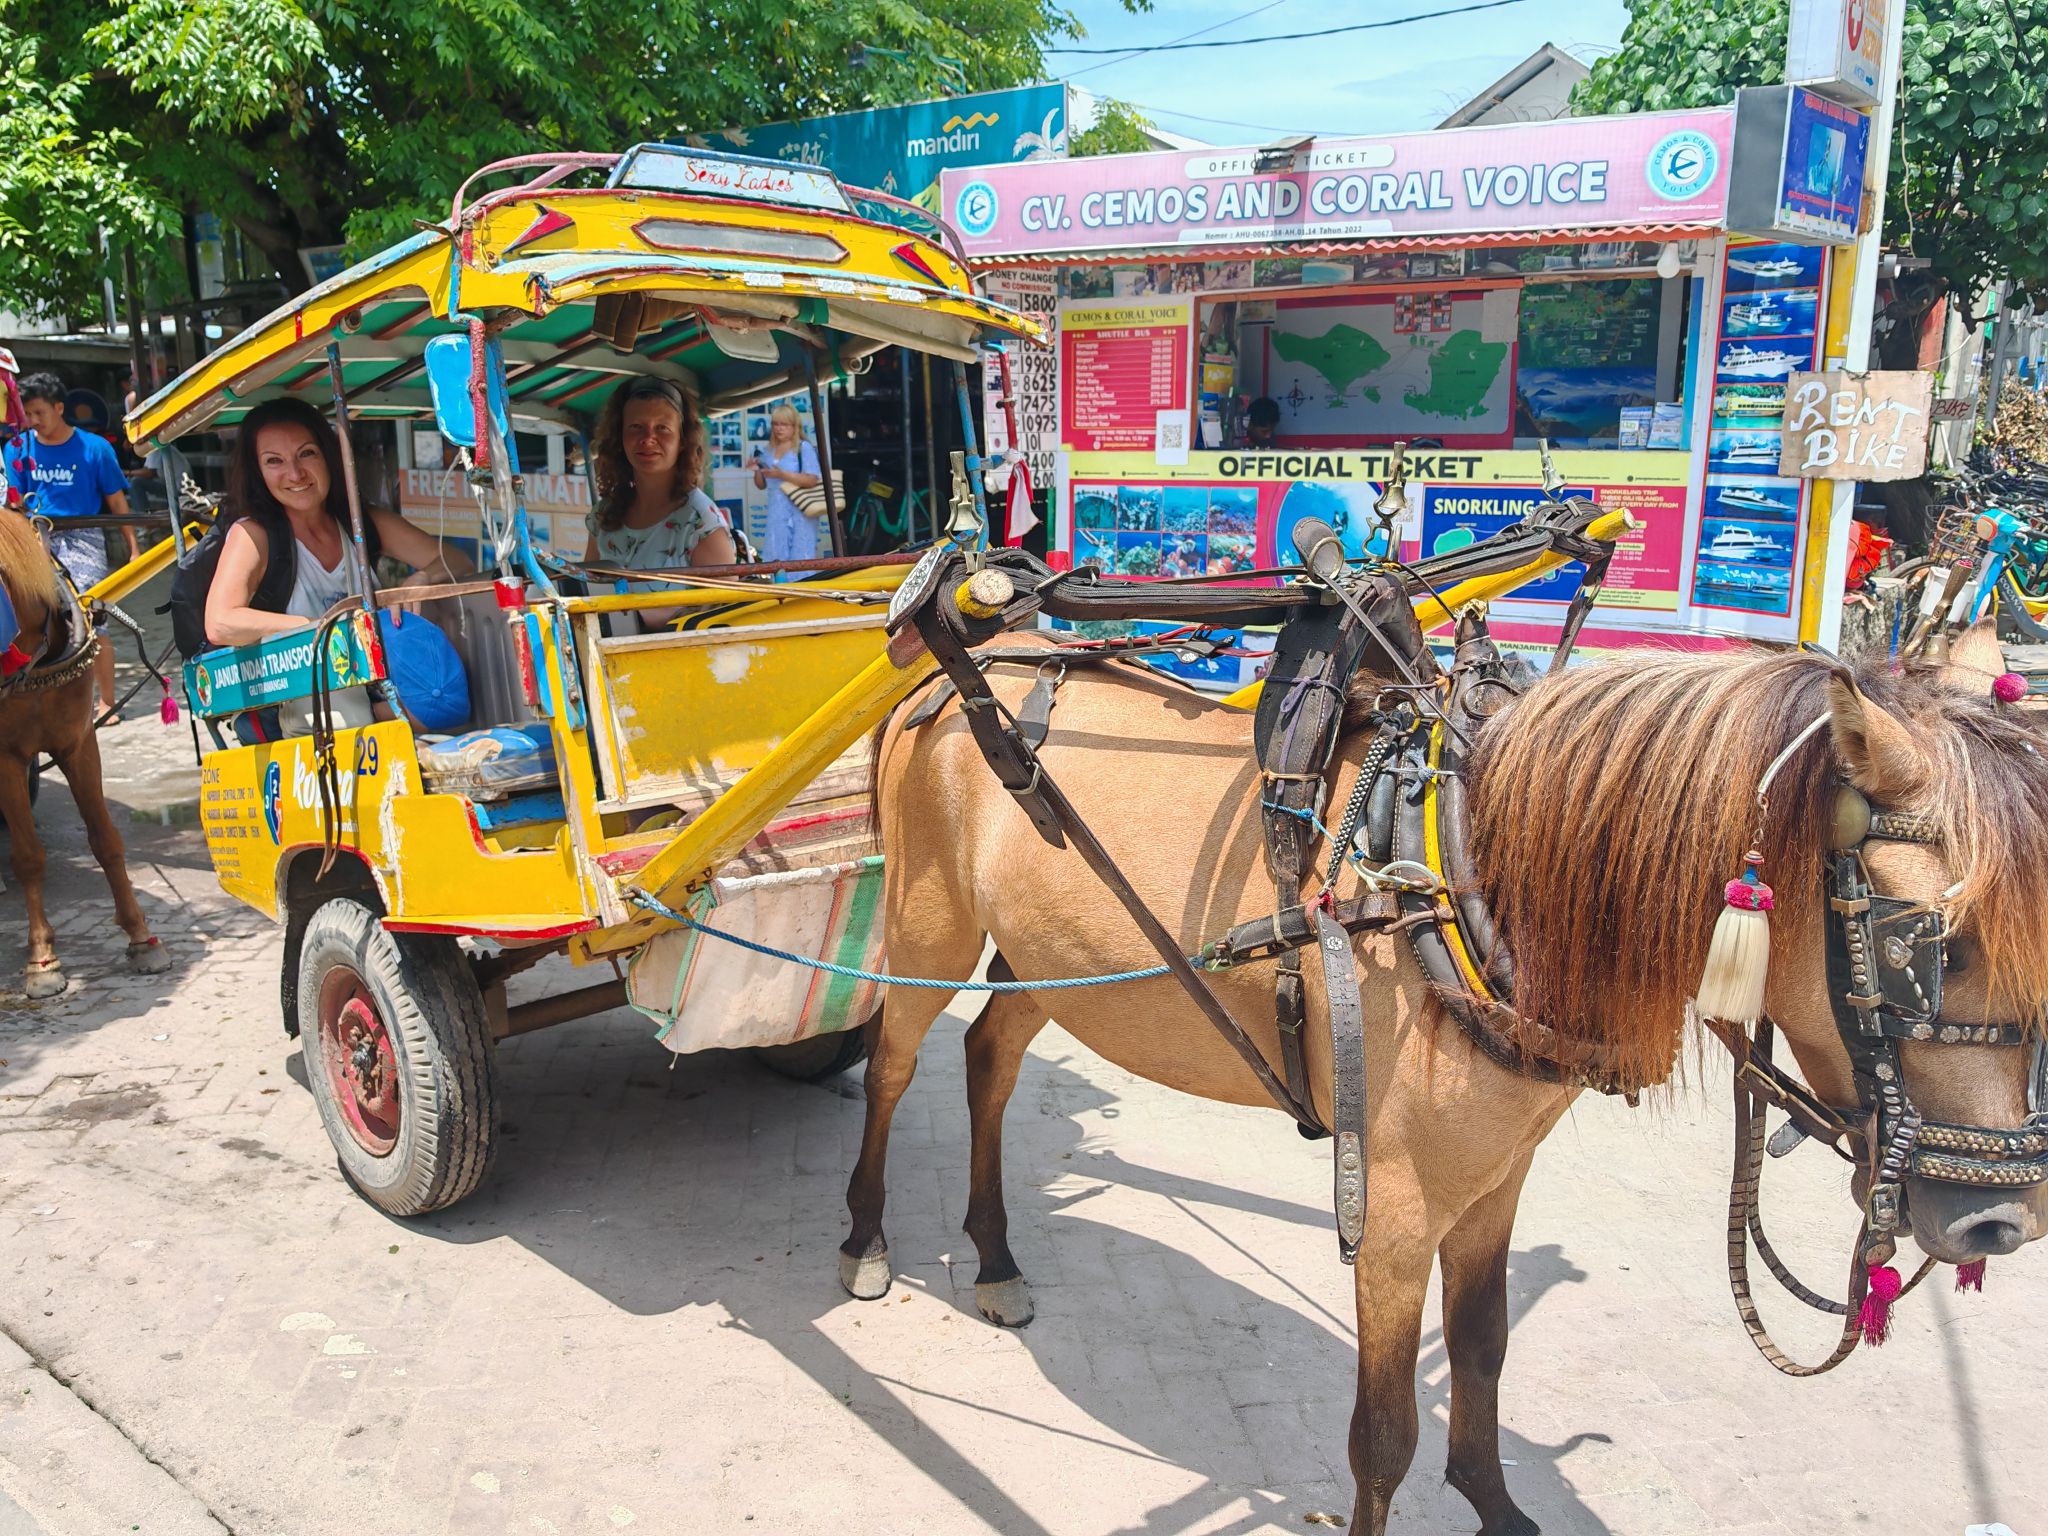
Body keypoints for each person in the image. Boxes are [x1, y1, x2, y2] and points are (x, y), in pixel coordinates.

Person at [204, 397, 470, 648]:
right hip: (305, 695)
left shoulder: (361, 522)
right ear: (257, 473)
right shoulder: (253, 535)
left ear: (329, 457)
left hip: (376, 692)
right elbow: (220, 623)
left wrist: (422, 578)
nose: (295, 474)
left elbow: (458, 561)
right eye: (274, 461)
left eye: (307, 454)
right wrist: (322, 627)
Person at [4, 371, 138, 717]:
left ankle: (106, 701)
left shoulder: (95, 448)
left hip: (84, 537)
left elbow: (116, 501)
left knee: (93, 615)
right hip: (34, 537)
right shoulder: (18, 448)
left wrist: (134, 549)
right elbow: (14, 504)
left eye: (39, 413)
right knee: (29, 612)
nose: (33, 422)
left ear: (59, 407)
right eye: (28, 414)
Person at [581, 377, 736, 628]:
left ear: (682, 440)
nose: (648, 438)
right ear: (620, 438)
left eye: (662, 428)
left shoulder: (700, 522)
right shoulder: (603, 517)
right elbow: (586, 593)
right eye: (635, 427)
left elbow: (724, 619)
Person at [752, 403, 822, 565]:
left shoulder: (803, 448)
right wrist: (756, 469)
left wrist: (782, 474)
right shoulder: (768, 450)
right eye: (776, 424)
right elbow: (761, 485)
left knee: (801, 556)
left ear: (794, 426)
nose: (779, 428)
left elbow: (812, 479)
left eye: (784, 424)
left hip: (800, 510)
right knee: (776, 556)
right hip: (777, 512)